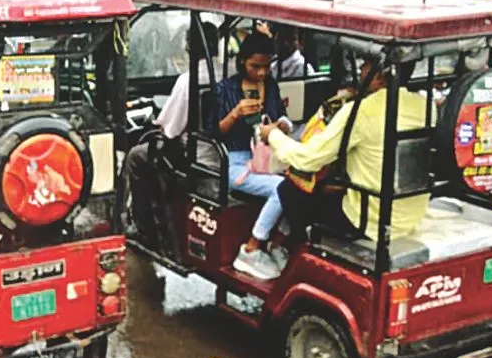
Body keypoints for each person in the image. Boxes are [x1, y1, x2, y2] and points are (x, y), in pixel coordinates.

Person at [260, 57, 430, 247]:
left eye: (365, 66)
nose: (361, 70)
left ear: (380, 76)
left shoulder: (359, 112)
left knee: (289, 190)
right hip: (411, 215)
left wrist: (273, 135)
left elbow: (308, 159)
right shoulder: (425, 105)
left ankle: (298, 247)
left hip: (370, 221)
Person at [124, 23, 220, 248]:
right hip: (220, 148)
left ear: (188, 47)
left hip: (198, 154)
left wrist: (160, 124)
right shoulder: (230, 71)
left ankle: (145, 231)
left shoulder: (189, 80)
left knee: (136, 157)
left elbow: (170, 129)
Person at [216, 34, 292, 279]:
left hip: (268, 159)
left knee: (304, 182)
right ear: (242, 62)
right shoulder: (225, 89)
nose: (261, 73)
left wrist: (282, 126)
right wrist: (236, 113)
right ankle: (251, 248)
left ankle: (278, 242)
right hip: (236, 163)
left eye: (266, 67)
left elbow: (281, 115)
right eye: (255, 67)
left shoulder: (271, 85)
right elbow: (214, 132)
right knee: (282, 189)